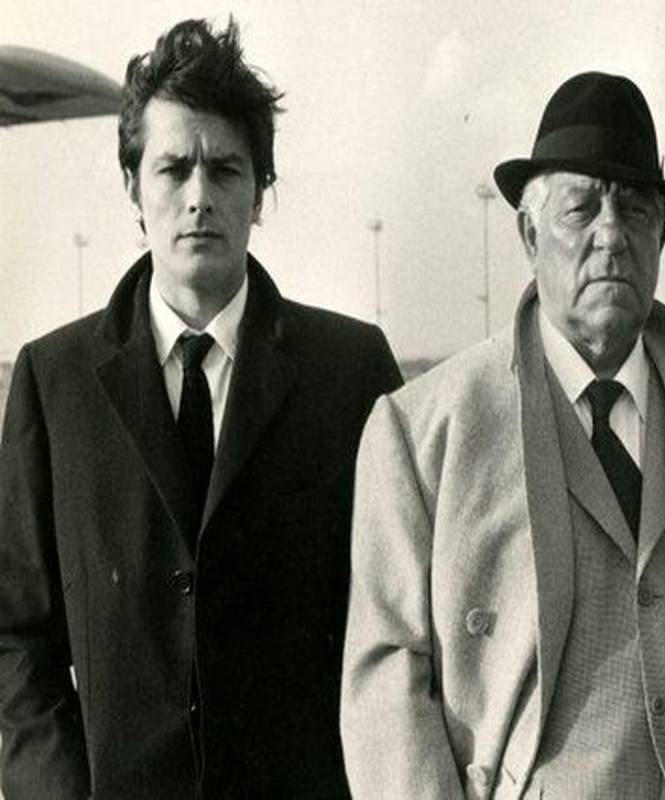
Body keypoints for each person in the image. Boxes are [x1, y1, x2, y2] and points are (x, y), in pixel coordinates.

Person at [340, 71, 665, 799]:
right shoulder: (423, 435)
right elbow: (388, 692)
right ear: (530, 234)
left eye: (636, 209)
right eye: (581, 208)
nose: (611, 235)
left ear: (662, 235)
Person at [0, 18, 401, 799]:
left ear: (260, 192)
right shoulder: (54, 382)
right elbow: (16, 636)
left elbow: (401, 622)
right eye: (173, 168)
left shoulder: (351, 374)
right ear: (132, 188)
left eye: (225, 170)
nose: (198, 198)